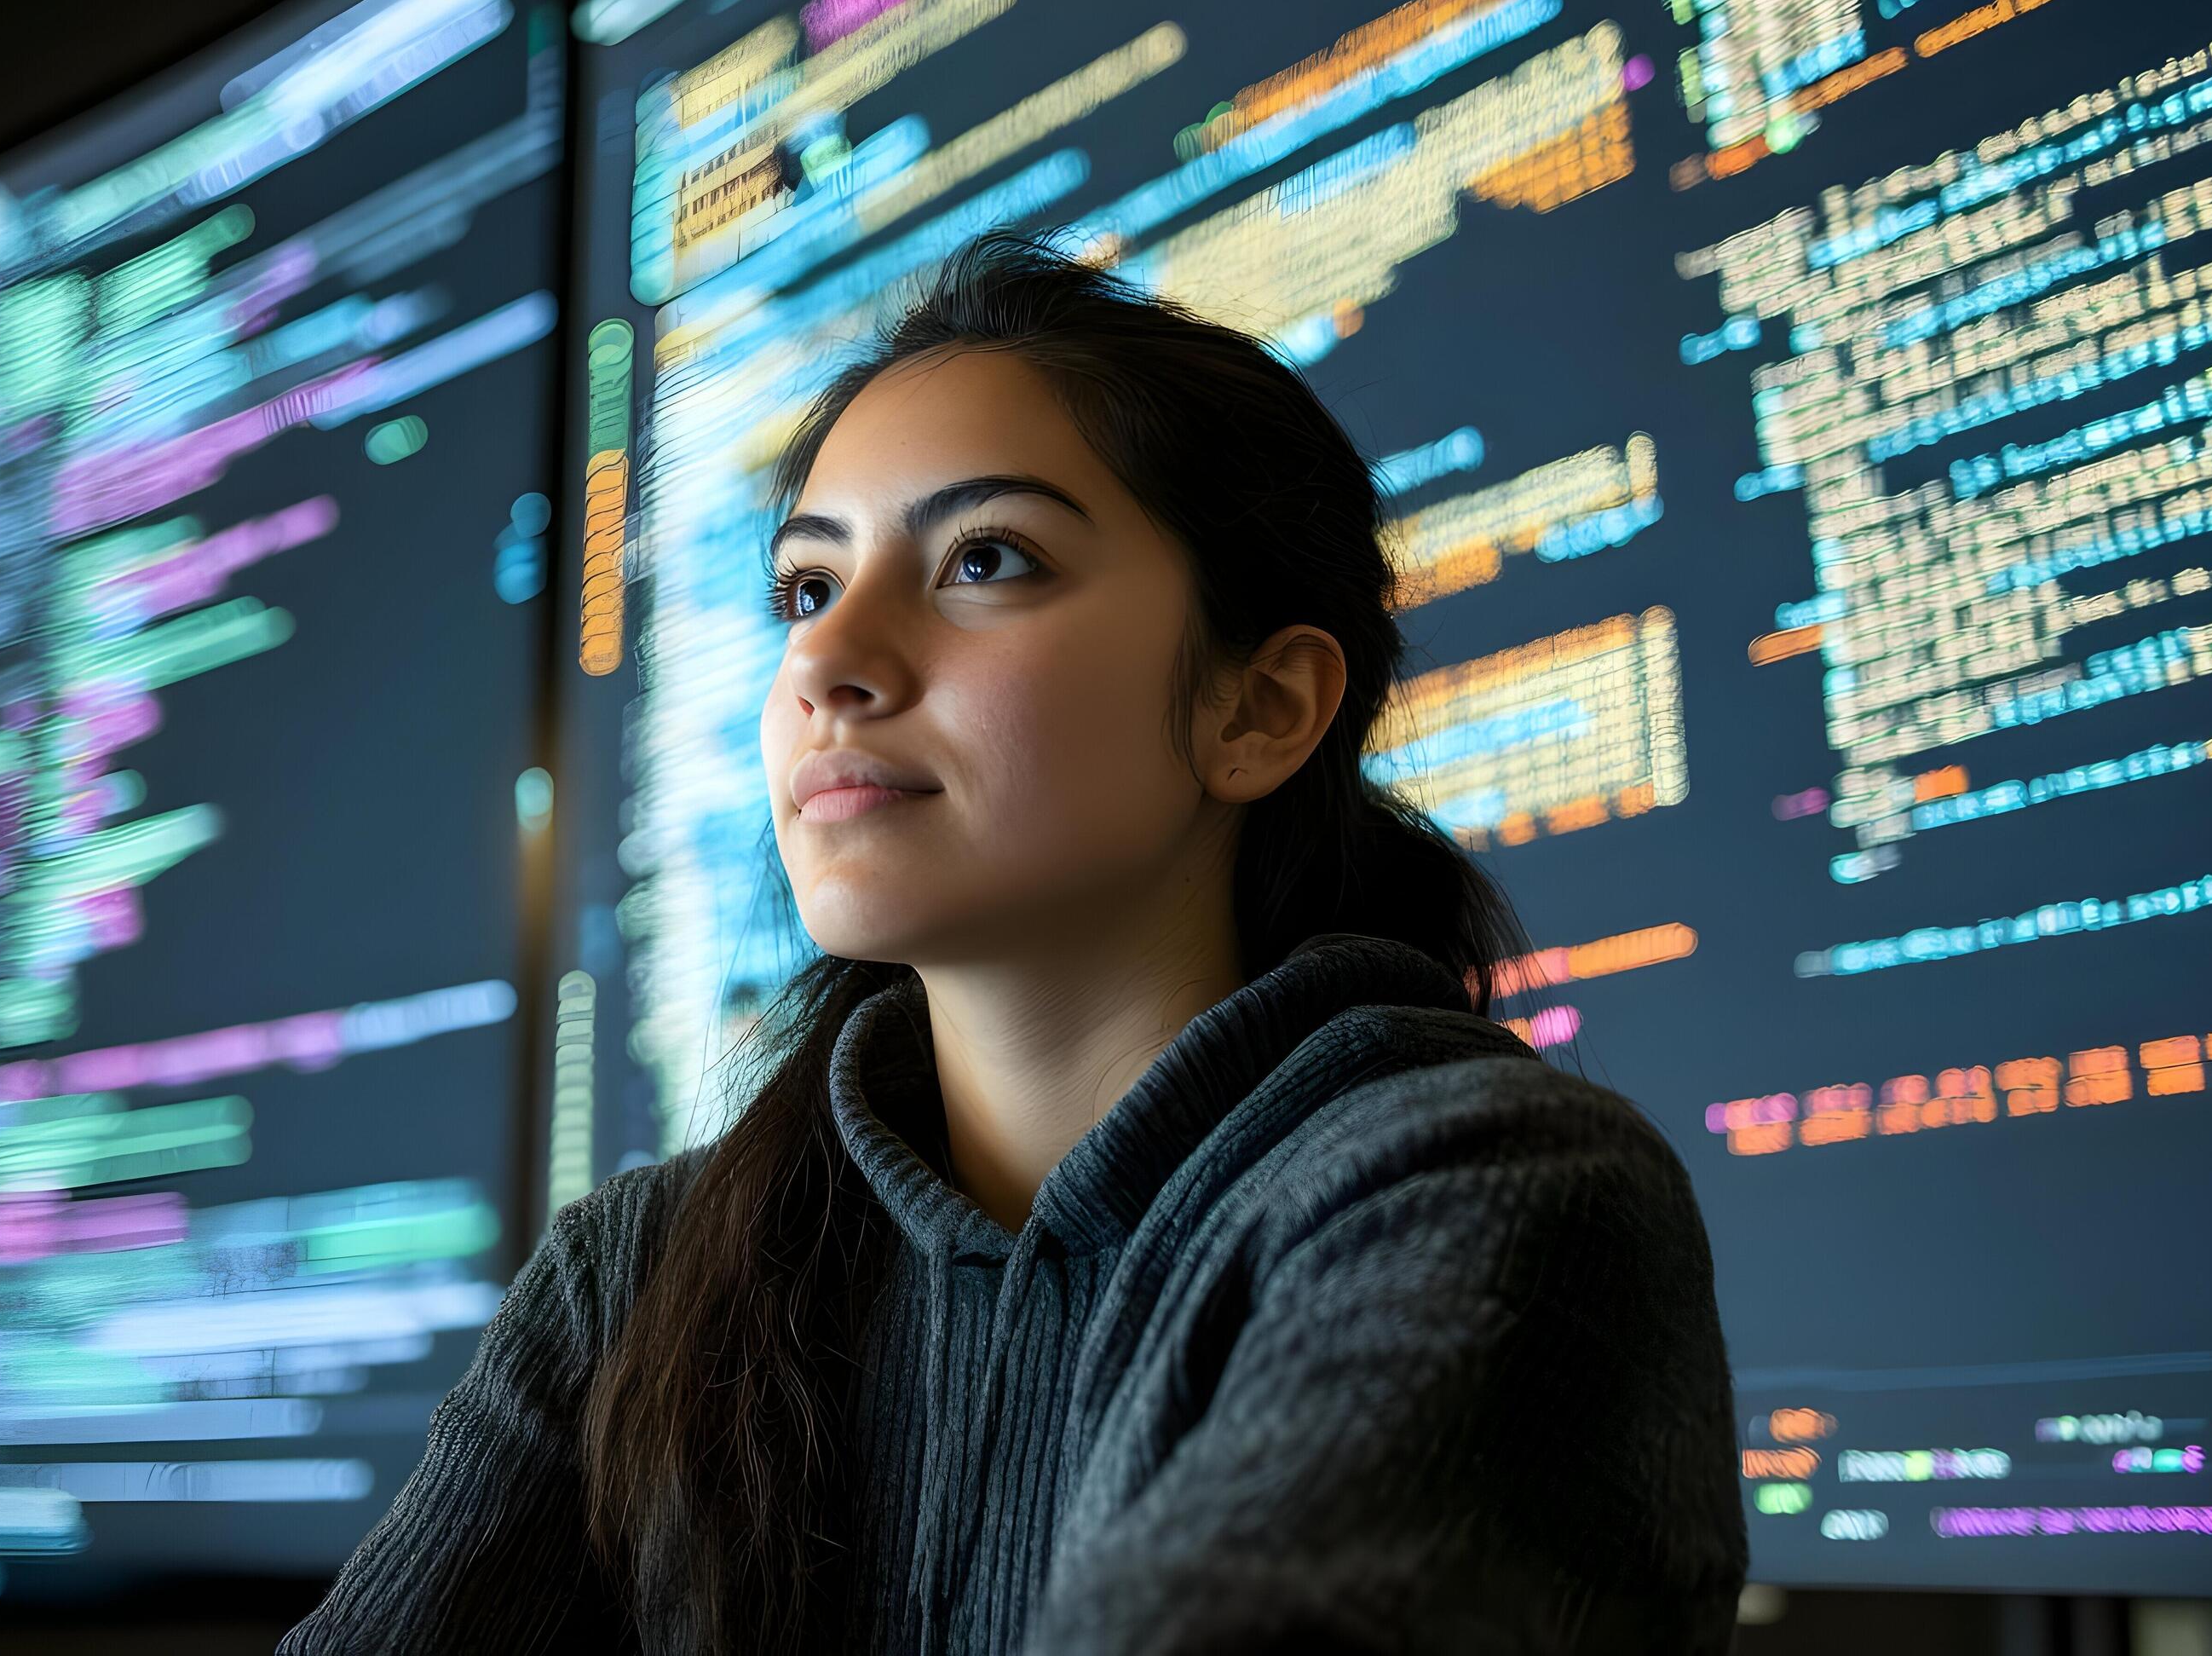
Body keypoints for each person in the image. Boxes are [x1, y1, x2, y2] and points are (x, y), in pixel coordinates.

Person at [280, 230, 1746, 1654]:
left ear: (1259, 709)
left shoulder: (1477, 1197)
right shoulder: (635, 1279)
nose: (827, 661)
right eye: (807, 588)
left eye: (986, 559)